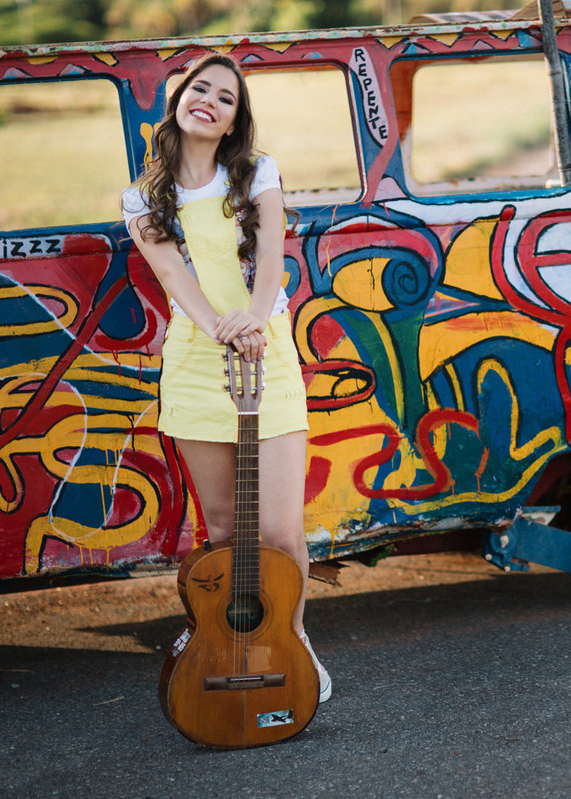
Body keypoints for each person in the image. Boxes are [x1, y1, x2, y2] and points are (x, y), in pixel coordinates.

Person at [122, 52, 330, 703]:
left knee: (279, 532)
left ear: (236, 120)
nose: (208, 99)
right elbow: (175, 280)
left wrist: (252, 320)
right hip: (194, 364)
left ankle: (292, 647)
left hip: (265, 353)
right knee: (223, 532)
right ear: (180, 100)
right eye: (199, 88)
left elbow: (271, 257)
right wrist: (221, 326)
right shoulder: (142, 197)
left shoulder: (256, 173)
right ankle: (235, 641)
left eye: (226, 97)